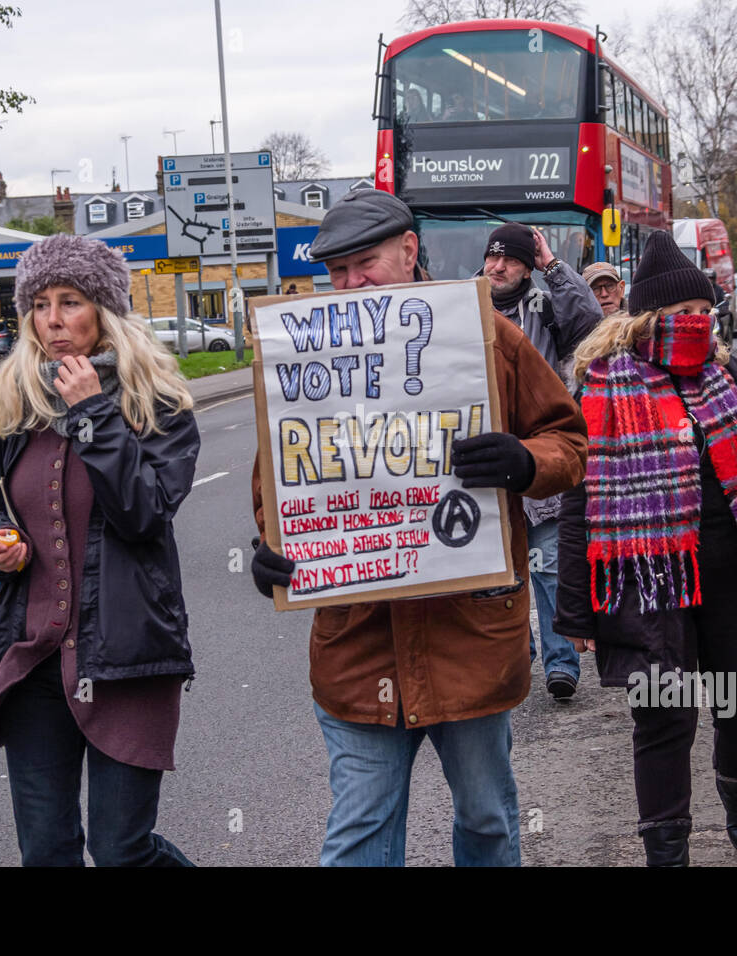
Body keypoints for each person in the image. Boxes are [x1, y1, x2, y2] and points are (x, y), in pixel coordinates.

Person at [249, 189, 587, 866]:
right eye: (336, 271)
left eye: (363, 263)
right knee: (358, 835)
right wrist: (272, 549)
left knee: (488, 820)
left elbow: (568, 441)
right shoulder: (305, 350)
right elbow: (279, 480)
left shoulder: (487, 333)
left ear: (408, 251)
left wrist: (525, 462)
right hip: (358, 645)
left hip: (469, 639)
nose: (349, 283)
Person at [554, 230, 737, 866]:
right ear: (649, 319)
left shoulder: (728, 375)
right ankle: (666, 849)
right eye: (682, 316)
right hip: (649, 578)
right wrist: (574, 613)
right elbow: (576, 503)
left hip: (734, 573)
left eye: (704, 313)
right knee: (665, 715)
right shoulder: (602, 387)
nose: (698, 324)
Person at [0, 234, 200, 866]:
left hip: (127, 657)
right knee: (47, 850)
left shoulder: (158, 406)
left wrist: (91, 411)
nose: (53, 321)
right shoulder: (14, 404)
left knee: (122, 852)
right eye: (39, 304)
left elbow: (142, 513)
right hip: (35, 660)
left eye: (71, 302)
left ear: (106, 310)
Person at [481, 221, 603, 700]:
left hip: (543, 454)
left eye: (509, 258)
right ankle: (520, 654)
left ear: (526, 266)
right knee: (503, 574)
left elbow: (591, 321)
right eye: (492, 258)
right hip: (489, 462)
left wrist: (553, 264)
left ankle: (560, 664)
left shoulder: (547, 302)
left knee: (550, 568)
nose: (498, 267)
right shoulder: (466, 306)